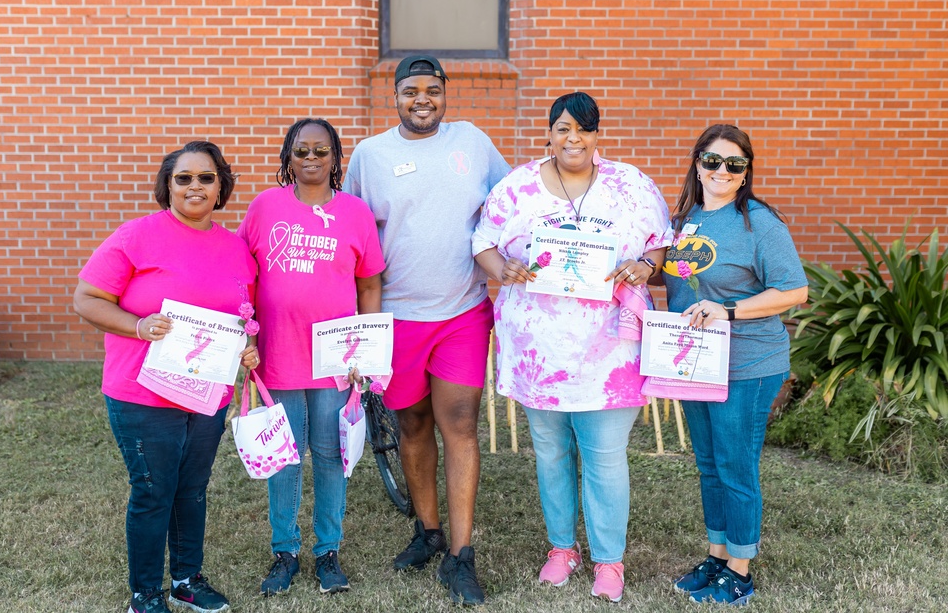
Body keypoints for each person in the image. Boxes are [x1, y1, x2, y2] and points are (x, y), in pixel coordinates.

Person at [471, 91, 671, 603]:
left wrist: (647, 265)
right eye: (562, 128)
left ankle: (609, 560)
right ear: (550, 133)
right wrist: (501, 269)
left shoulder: (630, 185)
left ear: (596, 134)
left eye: (582, 129)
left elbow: (660, 239)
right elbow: (483, 241)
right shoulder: (517, 188)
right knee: (551, 453)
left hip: (609, 350)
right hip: (539, 351)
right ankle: (562, 548)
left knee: (604, 457)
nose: (572, 138)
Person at [344, 55, 511, 606]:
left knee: (459, 424)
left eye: (433, 90)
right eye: (411, 90)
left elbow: (513, 205)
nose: (423, 100)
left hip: (462, 311)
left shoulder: (473, 142)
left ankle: (461, 556)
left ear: (445, 94)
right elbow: (353, 232)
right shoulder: (371, 155)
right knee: (412, 425)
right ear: (395, 96)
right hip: (396, 317)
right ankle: (428, 531)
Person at [73, 140, 259, 613]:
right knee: (154, 491)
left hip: (207, 392)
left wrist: (248, 346)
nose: (195, 186)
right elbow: (88, 298)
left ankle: (186, 580)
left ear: (221, 186)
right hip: (143, 393)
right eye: (184, 178)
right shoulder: (136, 236)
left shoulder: (237, 248)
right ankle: (145, 593)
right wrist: (138, 326)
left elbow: (243, 315)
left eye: (206, 178)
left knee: (193, 489)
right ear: (168, 186)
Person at [237, 118, 384, 597]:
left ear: (336, 157)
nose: (312, 158)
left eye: (322, 150)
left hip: (334, 362)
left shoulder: (356, 213)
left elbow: (369, 283)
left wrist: (369, 347)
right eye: (302, 151)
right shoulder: (265, 207)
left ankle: (327, 551)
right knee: (285, 456)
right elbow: (244, 276)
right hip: (277, 356)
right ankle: (284, 551)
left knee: (329, 452)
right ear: (288, 157)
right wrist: (246, 334)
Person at [663, 124, 807, 605]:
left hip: (747, 362)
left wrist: (728, 311)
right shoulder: (687, 219)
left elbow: (793, 290)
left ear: (746, 172)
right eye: (712, 160)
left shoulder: (759, 222)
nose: (721, 171)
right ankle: (717, 556)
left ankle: (740, 570)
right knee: (708, 465)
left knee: (735, 464)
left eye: (734, 164)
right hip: (694, 362)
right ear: (697, 163)